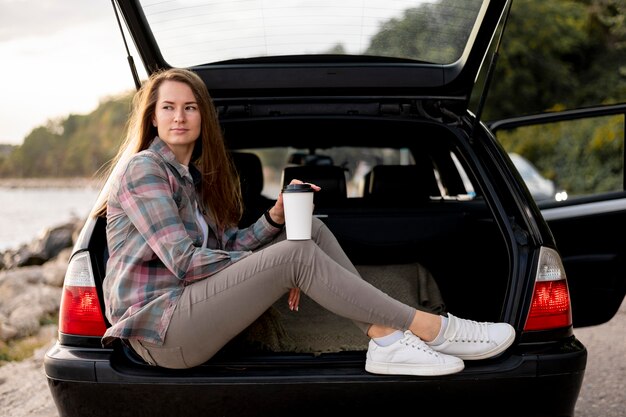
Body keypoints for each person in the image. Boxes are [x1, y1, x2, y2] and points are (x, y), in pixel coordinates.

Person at [97, 68, 515, 376]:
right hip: (162, 333)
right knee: (296, 251)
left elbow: (231, 249)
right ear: (153, 117)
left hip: (192, 309)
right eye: (168, 107)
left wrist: (276, 218)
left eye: (190, 107)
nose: (179, 117)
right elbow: (186, 264)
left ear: (203, 116)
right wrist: (283, 263)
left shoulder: (194, 182)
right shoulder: (145, 170)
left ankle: (386, 340)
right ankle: (433, 328)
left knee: (306, 229)